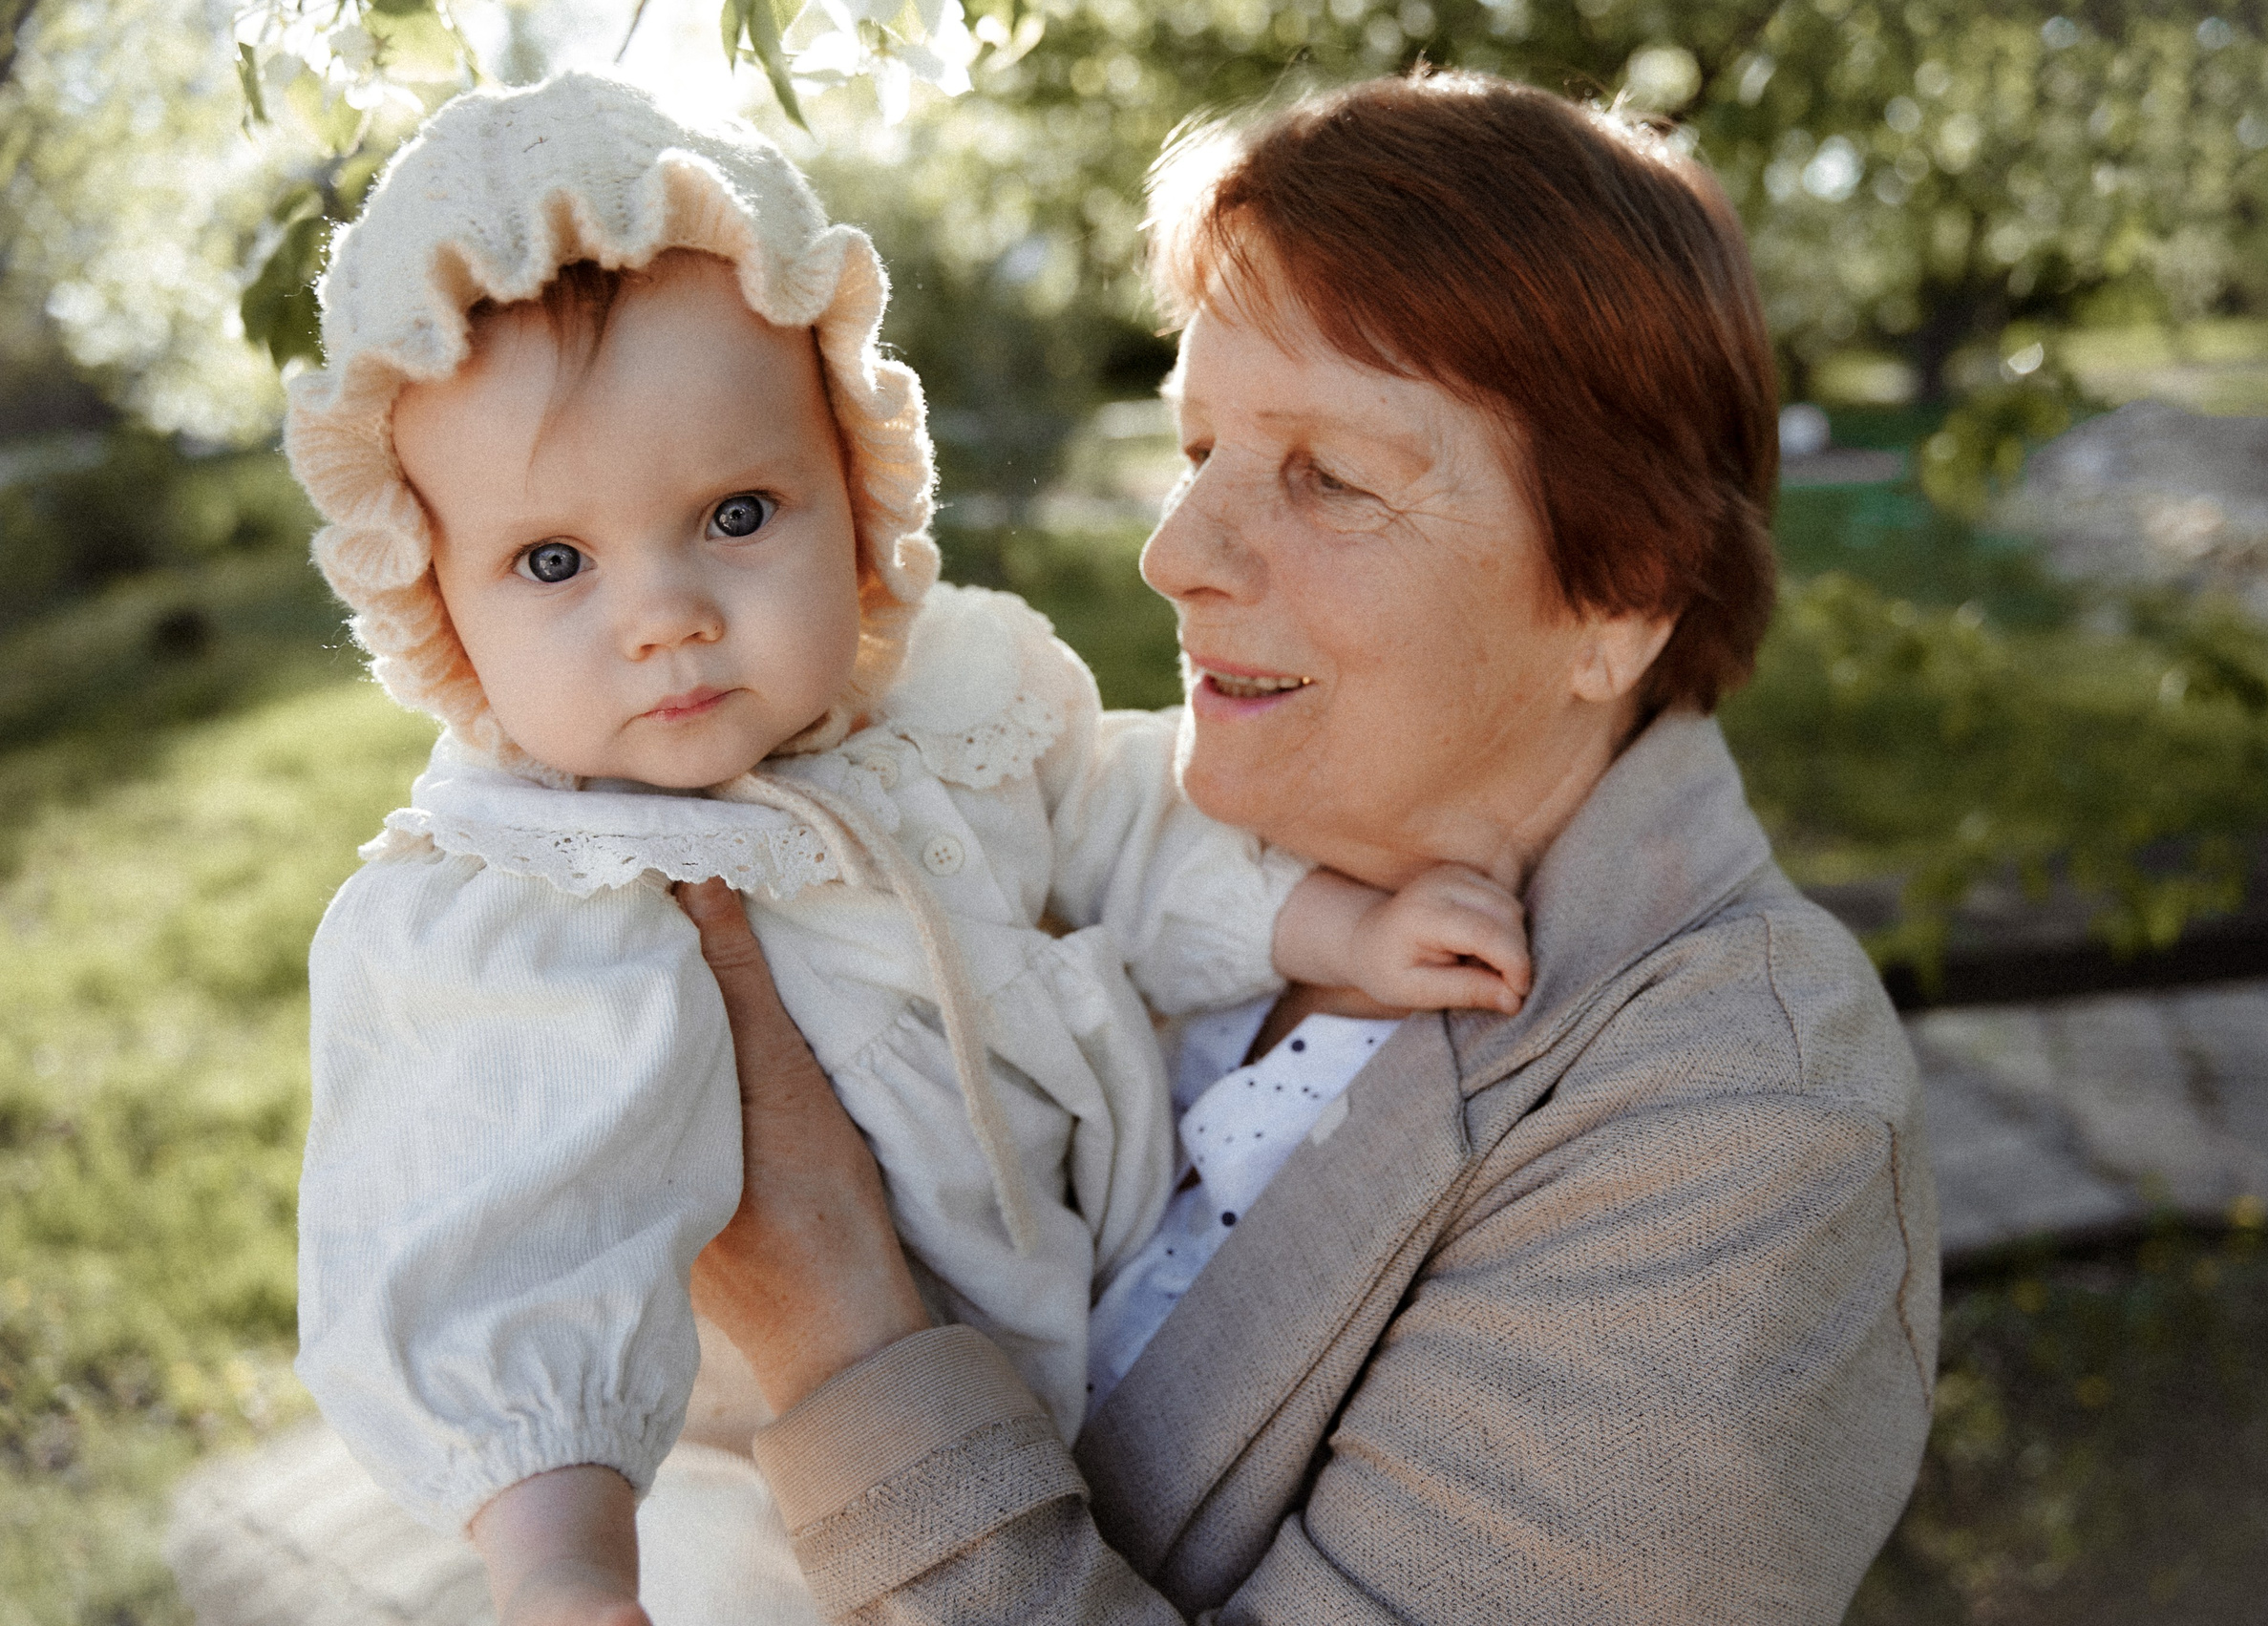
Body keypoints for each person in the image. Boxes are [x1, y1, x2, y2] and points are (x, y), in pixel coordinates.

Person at [680, 70, 1940, 1624]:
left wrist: (837, 1336)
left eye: (1329, 477)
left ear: (1621, 594)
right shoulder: (1087, 840)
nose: (1174, 554)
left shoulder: (1745, 1123)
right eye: (1198, 446)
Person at [284, 73, 1531, 1626]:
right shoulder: (528, 895)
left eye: (738, 515)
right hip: (758, 1475)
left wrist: (1328, 929)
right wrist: (558, 1553)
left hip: (1091, 1342)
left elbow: (1129, 821)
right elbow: (489, 1226)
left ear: (859, 499)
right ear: (436, 607)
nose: (663, 612)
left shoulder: (964, 696)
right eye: (554, 561)